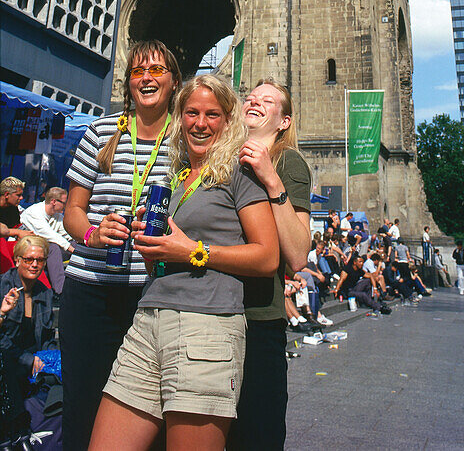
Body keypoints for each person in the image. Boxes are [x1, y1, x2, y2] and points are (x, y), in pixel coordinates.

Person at [89, 74, 279, 451]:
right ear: (180, 117)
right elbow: (170, 252)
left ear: (228, 120)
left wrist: (191, 250)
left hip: (205, 328)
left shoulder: (239, 174)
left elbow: (267, 256)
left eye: (212, 114)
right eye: (191, 112)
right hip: (148, 321)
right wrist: (153, 251)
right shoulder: (174, 177)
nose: (200, 123)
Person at [59, 39, 182, 451]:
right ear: (128, 82)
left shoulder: (185, 143)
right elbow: (73, 210)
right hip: (90, 291)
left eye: (156, 70)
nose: (146, 78)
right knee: (83, 406)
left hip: (150, 297)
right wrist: (93, 233)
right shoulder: (101, 132)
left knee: (147, 414)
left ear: (173, 80)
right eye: (137, 71)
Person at [228, 79, 312, 451]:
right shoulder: (219, 155)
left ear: (284, 121)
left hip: (258, 316)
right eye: (250, 97)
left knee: (256, 432)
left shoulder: (287, 161)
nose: (254, 102)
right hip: (209, 310)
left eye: (267, 100)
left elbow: (297, 255)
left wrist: (269, 176)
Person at [0, 235, 54, 446]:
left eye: (40, 260)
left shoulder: (45, 293)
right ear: (17, 260)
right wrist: (28, 360)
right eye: (29, 259)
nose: (34, 264)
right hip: (10, 357)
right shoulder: (3, 286)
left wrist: (46, 358)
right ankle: (18, 432)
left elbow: (48, 336)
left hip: (34, 359)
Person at [21, 187, 73, 295]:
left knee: (75, 244)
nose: (65, 205)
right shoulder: (34, 213)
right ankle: (60, 291)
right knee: (53, 247)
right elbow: (50, 235)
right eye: (64, 202)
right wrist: (69, 247)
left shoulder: (57, 216)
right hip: (28, 249)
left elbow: (67, 235)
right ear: (54, 201)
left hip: (45, 250)